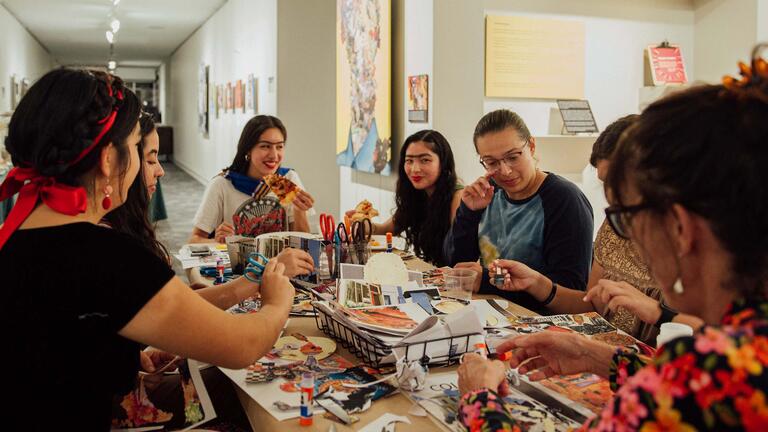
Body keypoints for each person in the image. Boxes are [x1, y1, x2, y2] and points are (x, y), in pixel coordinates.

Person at [457, 47, 768, 430]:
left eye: (627, 217)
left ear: (681, 229)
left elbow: (689, 388)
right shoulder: (736, 347)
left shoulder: (699, 384)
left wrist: (478, 399)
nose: (627, 238)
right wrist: (602, 358)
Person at [0, 69, 295, 430]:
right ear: (109, 159)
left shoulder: (16, 235)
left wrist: (121, 356)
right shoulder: (106, 256)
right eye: (138, 148)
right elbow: (243, 345)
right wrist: (277, 301)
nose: (153, 168)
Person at [489, 115, 702, 344]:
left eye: (617, 181)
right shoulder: (614, 226)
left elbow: (728, 336)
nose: (611, 194)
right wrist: (536, 283)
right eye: (604, 182)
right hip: (612, 362)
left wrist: (658, 312)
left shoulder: (698, 239)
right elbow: (591, 305)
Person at [443, 109, 594, 312]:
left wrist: (487, 281)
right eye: (492, 162)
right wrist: (468, 213)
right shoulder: (489, 193)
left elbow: (570, 291)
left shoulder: (564, 200)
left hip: (540, 322)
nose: (505, 171)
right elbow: (459, 266)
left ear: (531, 146)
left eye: (513, 157)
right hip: (493, 313)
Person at [344, 129, 462, 266]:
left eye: (425, 160)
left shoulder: (457, 198)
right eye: (409, 160)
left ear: (443, 163)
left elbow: (460, 254)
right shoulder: (418, 194)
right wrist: (363, 225)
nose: (415, 169)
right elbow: (386, 230)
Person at [190, 115, 315, 243]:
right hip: (240, 262)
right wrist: (218, 241)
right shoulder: (224, 184)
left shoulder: (284, 180)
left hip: (281, 262)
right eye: (265, 146)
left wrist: (299, 211)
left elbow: (302, 244)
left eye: (279, 146)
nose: (274, 155)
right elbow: (194, 240)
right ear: (248, 149)